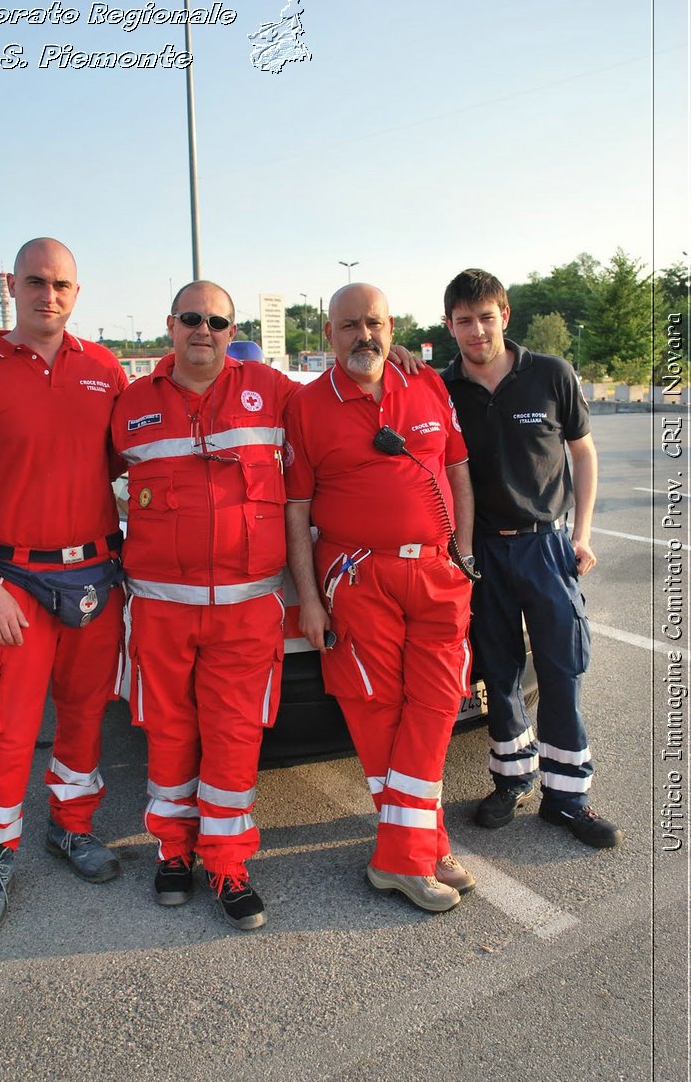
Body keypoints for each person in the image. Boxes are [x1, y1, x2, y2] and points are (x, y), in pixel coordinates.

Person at [0, 237, 128, 937]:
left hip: (95, 576)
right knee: (4, 728)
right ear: (11, 286)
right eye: (37, 282)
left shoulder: (104, 369)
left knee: (83, 716)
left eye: (63, 285)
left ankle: (71, 827)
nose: (50, 295)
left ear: (77, 294)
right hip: (12, 579)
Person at [111, 281, 299, 931]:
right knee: (168, 732)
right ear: (171, 325)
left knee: (234, 734)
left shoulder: (273, 391)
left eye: (216, 321)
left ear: (231, 328)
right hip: (161, 610)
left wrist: (394, 364)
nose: (204, 330)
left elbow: (343, 414)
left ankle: (226, 861)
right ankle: (172, 851)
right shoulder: (128, 404)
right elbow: (70, 473)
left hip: (246, 613)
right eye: (192, 318)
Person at [284, 283, 477, 914]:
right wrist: (310, 599)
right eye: (348, 326)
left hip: (437, 573)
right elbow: (297, 507)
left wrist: (464, 556)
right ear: (328, 335)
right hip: (359, 578)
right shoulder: (307, 406)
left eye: (373, 324)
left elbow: (456, 473)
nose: (363, 336)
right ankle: (416, 853)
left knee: (440, 700)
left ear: (392, 327)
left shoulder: (426, 385)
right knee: (377, 710)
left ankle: (408, 847)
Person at [441, 267, 621, 848]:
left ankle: (567, 798)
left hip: (546, 544)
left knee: (562, 668)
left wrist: (583, 533)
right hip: (482, 553)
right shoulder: (442, 387)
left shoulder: (550, 373)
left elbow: (583, 454)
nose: (476, 331)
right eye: (464, 321)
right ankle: (510, 780)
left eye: (485, 318)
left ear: (505, 316)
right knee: (498, 672)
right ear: (449, 325)